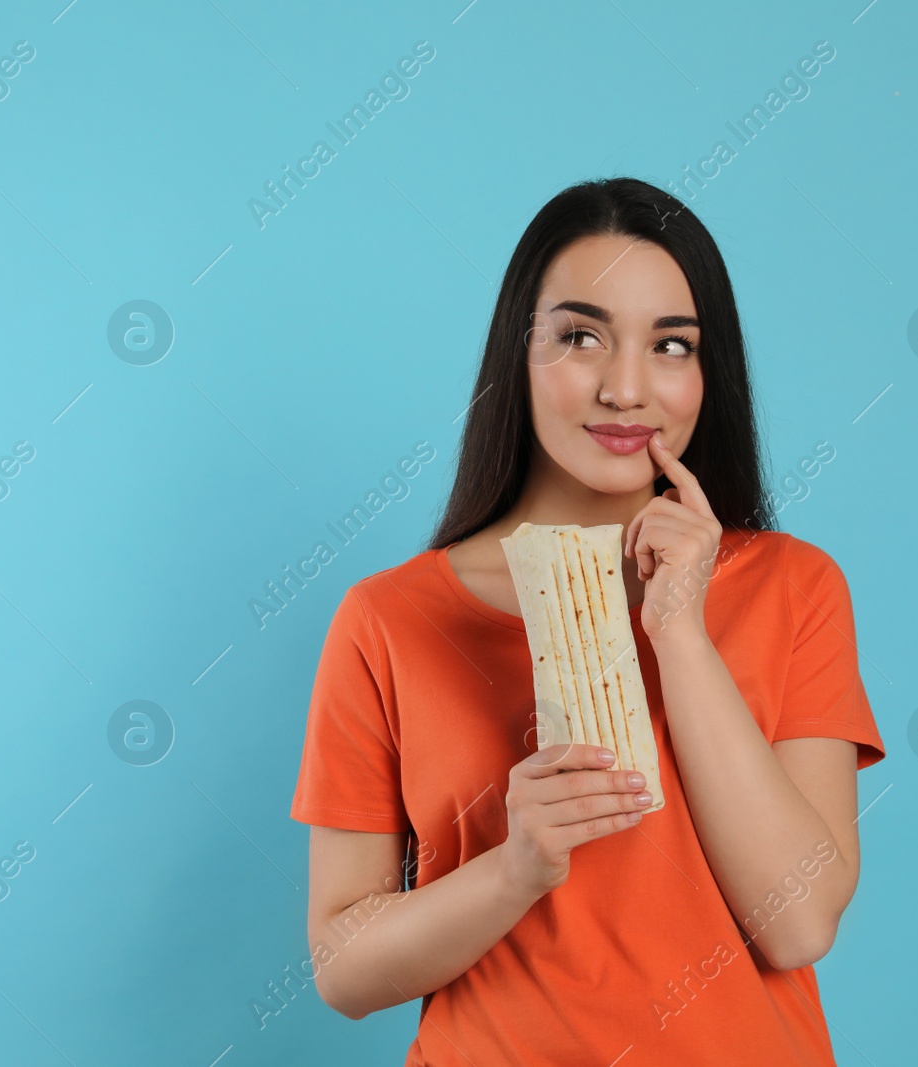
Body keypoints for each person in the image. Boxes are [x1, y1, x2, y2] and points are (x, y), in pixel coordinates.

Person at [288, 176, 886, 1065]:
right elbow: (343, 969)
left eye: (671, 345)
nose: (625, 388)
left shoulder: (793, 587)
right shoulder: (390, 618)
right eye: (579, 336)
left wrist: (679, 632)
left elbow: (797, 922)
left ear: (707, 370)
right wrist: (513, 867)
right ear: (515, 355)